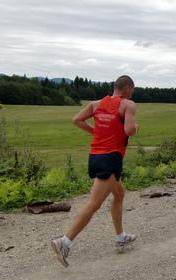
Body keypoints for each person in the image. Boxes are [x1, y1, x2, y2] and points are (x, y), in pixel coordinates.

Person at [51, 75, 139, 267]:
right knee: (94, 203)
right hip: (111, 159)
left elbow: (76, 120)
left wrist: (96, 131)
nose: (132, 93)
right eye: (132, 90)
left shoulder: (95, 104)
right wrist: (135, 127)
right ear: (128, 88)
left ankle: (120, 237)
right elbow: (130, 130)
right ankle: (64, 242)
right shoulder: (128, 105)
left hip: (95, 157)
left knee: (119, 194)